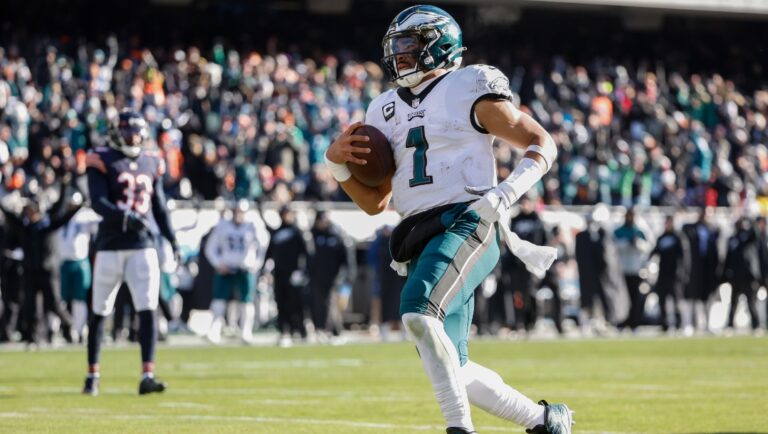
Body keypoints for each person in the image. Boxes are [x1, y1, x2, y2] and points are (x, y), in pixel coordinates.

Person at [324, 5, 572, 433]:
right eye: (395, 47)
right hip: (417, 232)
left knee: (419, 313)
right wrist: (337, 167)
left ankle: (460, 429)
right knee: (450, 362)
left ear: (437, 44)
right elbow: (374, 203)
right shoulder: (382, 107)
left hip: (469, 218)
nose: (398, 56)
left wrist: (506, 192)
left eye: (407, 45)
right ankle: (545, 420)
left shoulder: (467, 84)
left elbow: (540, 141)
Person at [82, 110, 179, 396]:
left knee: (148, 308)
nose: (133, 137)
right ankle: (93, 374)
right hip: (110, 244)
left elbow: (159, 205)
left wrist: (172, 239)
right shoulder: (102, 157)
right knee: (100, 310)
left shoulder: (151, 159)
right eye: (127, 132)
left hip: (142, 245)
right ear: (115, 133)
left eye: (137, 132)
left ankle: (147, 375)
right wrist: (125, 218)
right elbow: (98, 202)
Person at [204, 199, 270, 344]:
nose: (238, 215)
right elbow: (210, 248)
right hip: (226, 267)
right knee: (219, 299)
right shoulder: (223, 226)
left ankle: (246, 331)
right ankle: (215, 329)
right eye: (236, 211)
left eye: (241, 212)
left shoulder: (253, 226)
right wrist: (218, 264)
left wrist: (256, 264)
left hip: (245, 268)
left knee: (246, 300)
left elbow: (263, 245)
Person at [307, 210, 355, 340]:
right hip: (318, 278)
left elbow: (346, 261)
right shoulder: (313, 236)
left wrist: (344, 277)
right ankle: (323, 329)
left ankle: (333, 330)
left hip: (335, 279)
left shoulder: (337, 236)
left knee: (332, 304)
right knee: (319, 304)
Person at [266, 206, 310, 347]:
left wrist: (302, 271)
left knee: (297, 304)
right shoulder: (277, 233)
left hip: (295, 274)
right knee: (281, 303)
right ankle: (285, 331)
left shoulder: (297, 232)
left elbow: (307, 253)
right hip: (280, 274)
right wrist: (266, 271)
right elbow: (270, 254)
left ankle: (300, 331)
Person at [58, 206, 101, 343]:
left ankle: (79, 329)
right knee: (60, 298)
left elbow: (100, 220)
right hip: (62, 261)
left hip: (80, 261)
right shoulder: (61, 213)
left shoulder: (85, 215)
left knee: (80, 298)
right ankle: (61, 328)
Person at [681, 207, 720, 334]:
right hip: (695, 268)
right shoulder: (692, 228)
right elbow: (684, 229)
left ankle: (707, 324)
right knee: (693, 295)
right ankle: (691, 324)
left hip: (708, 268)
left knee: (707, 297)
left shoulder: (711, 230)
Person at [647, 215, 689, 332]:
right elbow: (654, 252)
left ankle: (679, 323)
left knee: (676, 300)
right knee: (662, 300)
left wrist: (683, 272)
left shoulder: (678, 237)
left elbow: (684, 257)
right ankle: (664, 324)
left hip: (674, 274)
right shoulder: (661, 238)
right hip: (663, 274)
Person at [613, 207, 649, 332]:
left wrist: (637, 243)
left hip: (636, 270)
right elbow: (612, 247)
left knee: (635, 299)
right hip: (622, 270)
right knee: (622, 299)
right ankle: (622, 322)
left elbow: (647, 247)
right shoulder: (618, 231)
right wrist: (626, 243)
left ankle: (634, 323)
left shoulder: (639, 231)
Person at [721, 217, 761, 332]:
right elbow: (728, 258)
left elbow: (755, 234)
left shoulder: (747, 237)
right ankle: (730, 324)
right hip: (735, 277)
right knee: (733, 302)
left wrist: (750, 220)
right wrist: (725, 273)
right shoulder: (732, 239)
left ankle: (756, 325)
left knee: (750, 301)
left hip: (747, 276)